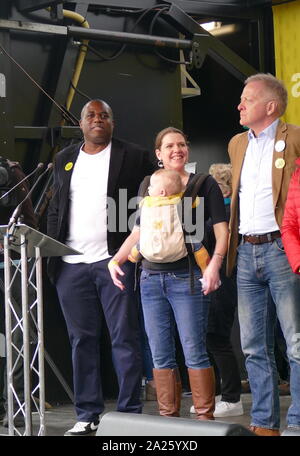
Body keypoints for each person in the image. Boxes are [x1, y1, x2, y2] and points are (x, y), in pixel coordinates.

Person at [46, 99, 156, 436]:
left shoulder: (134, 156)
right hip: (71, 265)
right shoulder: (65, 159)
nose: (98, 120)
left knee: (124, 337)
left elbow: (149, 201)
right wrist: (52, 250)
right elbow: (56, 207)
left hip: (114, 262)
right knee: (82, 340)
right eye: (91, 115)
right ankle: (87, 413)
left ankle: (129, 414)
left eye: (104, 115)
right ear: (80, 124)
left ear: (112, 122)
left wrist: (133, 247)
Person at [109, 126, 228, 420]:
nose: (177, 150)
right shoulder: (149, 184)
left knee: (193, 350)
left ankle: (203, 418)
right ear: (159, 154)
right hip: (150, 279)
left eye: (182, 145)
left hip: (187, 278)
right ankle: (168, 420)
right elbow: (139, 231)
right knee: (160, 353)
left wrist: (213, 265)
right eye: (170, 146)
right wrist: (117, 260)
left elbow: (222, 231)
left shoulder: (204, 183)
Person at [227, 73, 300, 436]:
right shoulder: (237, 143)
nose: (239, 105)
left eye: (247, 99)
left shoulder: (296, 138)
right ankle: (265, 423)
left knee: (296, 342)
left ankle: (298, 421)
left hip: (282, 250)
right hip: (246, 251)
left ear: (270, 106)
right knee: (254, 346)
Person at [191, 163, 243, 418]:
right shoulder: (218, 210)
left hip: (223, 279)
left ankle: (232, 398)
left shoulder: (227, 210)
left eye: (216, 184)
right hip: (216, 278)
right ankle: (218, 396)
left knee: (217, 337)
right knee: (211, 337)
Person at [0, 156, 37, 428]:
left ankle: (17, 404)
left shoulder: (11, 171)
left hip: (8, 265)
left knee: (16, 335)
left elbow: (28, 219)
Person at [128, 168, 210, 274]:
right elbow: (195, 205)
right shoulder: (179, 201)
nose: (148, 188)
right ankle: (205, 267)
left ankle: (133, 257)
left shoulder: (147, 202)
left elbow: (139, 223)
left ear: (162, 192)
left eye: (151, 186)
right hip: (177, 245)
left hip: (152, 245)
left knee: (141, 244)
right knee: (197, 245)